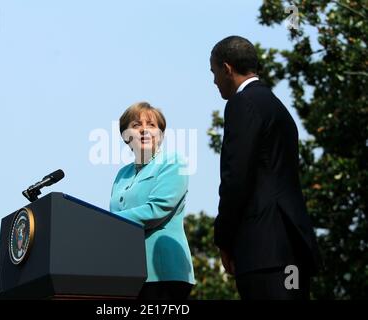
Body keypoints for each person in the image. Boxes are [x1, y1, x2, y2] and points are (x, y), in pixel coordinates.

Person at [210, 36, 321, 300]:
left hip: (263, 251)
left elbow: (236, 178)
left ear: (227, 69)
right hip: (292, 248)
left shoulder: (241, 103)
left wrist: (223, 238)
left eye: (213, 72)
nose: (214, 81)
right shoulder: (277, 107)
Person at [110, 102, 195, 300]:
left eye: (151, 125)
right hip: (128, 273)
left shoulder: (173, 162)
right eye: (137, 125)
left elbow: (157, 209)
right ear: (125, 135)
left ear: (161, 135)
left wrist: (107, 221)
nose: (144, 130)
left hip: (163, 273)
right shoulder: (121, 174)